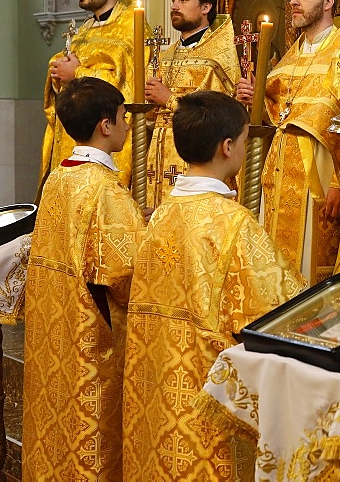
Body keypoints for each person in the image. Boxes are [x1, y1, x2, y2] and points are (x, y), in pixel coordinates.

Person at [123, 91, 304, 480]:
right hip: (210, 399)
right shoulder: (234, 224)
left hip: (157, 392)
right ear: (228, 147)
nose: (243, 148)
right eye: (242, 140)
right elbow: (281, 309)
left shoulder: (160, 215)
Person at [23, 77, 144, 480]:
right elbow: (126, 273)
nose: (128, 125)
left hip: (55, 332)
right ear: (106, 126)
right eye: (124, 117)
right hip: (92, 338)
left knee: (58, 429)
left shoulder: (57, 178)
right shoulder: (104, 190)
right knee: (91, 434)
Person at [236, 0, 340, 285]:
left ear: (328, 2)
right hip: (278, 177)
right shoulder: (290, 59)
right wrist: (256, 99)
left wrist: (339, 184)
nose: (293, 2)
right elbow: (279, 117)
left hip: (317, 180)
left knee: (307, 274)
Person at [40, 0, 147, 194]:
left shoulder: (132, 28)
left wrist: (77, 72)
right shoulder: (85, 30)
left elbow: (129, 87)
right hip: (72, 140)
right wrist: (58, 76)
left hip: (106, 136)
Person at [143, 0, 238, 207]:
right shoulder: (164, 57)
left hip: (198, 161)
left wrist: (169, 100)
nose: (174, 6)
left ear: (206, 7)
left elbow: (219, 118)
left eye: (183, 0)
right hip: (158, 157)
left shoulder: (218, 58)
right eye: (173, 0)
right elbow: (147, 118)